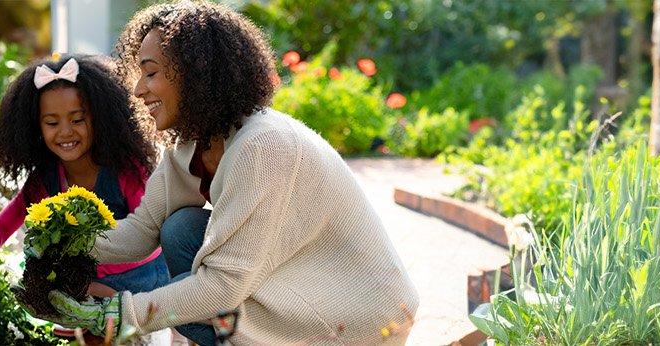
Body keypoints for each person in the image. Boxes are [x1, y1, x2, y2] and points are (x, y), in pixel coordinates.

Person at [37, 3, 420, 345]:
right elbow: (142, 230)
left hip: (356, 318)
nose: (138, 90)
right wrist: (66, 240)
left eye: (150, 73)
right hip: (296, 281)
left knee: (188, 300)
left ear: (194, 74)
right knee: (181, 229)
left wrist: (121, 314)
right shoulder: (192, 143)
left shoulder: (263, 146)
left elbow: (221, 288)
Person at [0, 54, 168, 315]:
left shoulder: (125, 171)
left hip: (139, 279)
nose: (65, 132)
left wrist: (92, 272)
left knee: (71, 295)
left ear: (100, 119)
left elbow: (151, 239)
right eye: (52, 123)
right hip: (84, 283)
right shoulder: (46, 177)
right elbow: (5, 222)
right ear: (36, 128)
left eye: (77, 120)